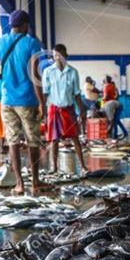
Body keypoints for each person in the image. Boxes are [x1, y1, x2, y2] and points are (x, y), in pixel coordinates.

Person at [0, 10, 50, 196]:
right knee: (32, 141)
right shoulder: (31, 43)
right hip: (27, 100)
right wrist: (42, 103)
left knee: (12, 141)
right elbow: (35, 75)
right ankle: (35, 181)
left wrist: (4, 76)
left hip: (6, 101)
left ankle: (20, 184)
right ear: (25, 25)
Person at [42, 44, 88, 174]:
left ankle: (83, 166)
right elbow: (45, 93)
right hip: (54, 109)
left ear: (65, 56)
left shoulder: (73, 72)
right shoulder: (48, 72)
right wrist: (43, 113)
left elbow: (77, 93)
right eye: (55, 55)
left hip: (68, 109)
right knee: (54, 139)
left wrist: (81, 111)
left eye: (60, 55)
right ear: (53, 57)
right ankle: (54, 168)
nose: (58, 58)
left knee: (75, 138)